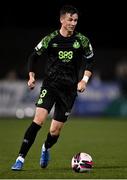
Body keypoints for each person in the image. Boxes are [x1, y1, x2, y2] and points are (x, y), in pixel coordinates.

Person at [11, 4, 94, 171]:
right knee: (38, 121)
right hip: (50, 86)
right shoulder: (50, 39)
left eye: (76, 20)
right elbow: (34, 56)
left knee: (55, 131)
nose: (73, 23)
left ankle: (46, 148)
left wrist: (84, 80)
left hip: (69, 90)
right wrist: (31, 75)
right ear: (62, 20)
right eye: (70, 19)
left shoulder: (82, 40)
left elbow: (90, 60)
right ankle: (20, 158)